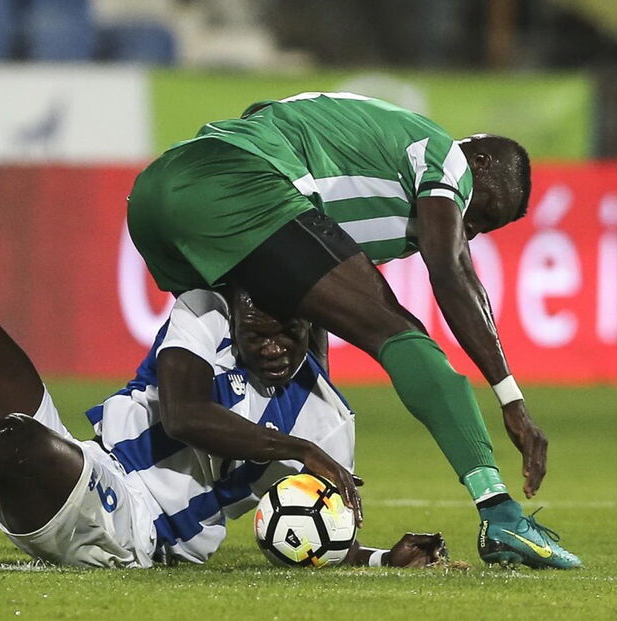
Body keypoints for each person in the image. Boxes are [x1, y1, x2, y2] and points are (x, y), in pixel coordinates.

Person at [126, 91, 580, 568]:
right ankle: (499, 511)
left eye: (485, 229)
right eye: (482, 213)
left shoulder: (364, 186)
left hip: (154, 198)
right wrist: (511, 401)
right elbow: (450, 271)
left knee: (220, 366)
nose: (472, 230)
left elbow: (261, 113)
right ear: (479, 162)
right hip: (230, 179)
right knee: (400, 333)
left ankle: (149, 498)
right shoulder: (444, 156)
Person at [0, 295, 446, 569]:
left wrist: (385, 559)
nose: (276, 341)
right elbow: (189, 414)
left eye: (293, 330)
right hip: (87, 464)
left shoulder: (328, 422)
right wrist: (294, 449)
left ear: (315, 326)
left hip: (132, 532)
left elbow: (313, 533)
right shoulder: (200, 315)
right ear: (239, 306)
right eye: (261, 325)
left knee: (20, 438)